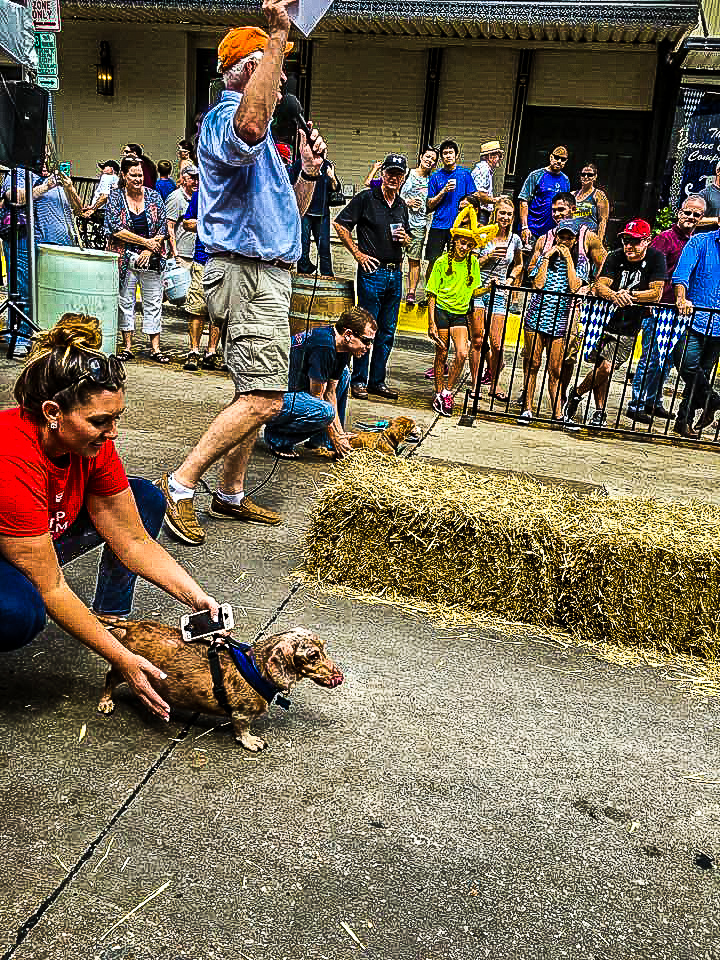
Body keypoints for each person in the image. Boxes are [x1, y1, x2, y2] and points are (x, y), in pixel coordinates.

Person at [157, 6, 327, 545]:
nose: (280, 85)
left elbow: (291, 216)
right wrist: (278, 35)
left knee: (255, 388)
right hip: (247, 273)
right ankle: (181, 485)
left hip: (269, 269)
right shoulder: (224, 119)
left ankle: (229, 491)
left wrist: (307, 172)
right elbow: (251, 121)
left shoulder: (264, 144)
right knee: (265, 398)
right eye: (273, 72)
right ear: (247, 68)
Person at [0, 314, 220, 720]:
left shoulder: (92, 446)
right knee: (21, 611)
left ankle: (111, 621)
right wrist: (124, 661)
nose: (113, 432)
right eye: (100, 421)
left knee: (145, 497)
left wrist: (196, 597)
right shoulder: (11, 455)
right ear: (53, 412)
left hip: (37, 533)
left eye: (116, 418)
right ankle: (113, 644)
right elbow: (52, 587)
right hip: (11, 550)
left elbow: (133, 540)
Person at [563, 219, 665, 429]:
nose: (629, 246)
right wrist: (614, 295)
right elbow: (601, 284)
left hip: (629, 325)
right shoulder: (615, 256)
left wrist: (630, 296)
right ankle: (600, 411)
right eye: (626, 240)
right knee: (602, 367)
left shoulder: (656, 258)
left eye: (635, 242)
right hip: (604, 319)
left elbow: (656, 292)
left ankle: (577, 392)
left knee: (607, 368)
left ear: (647, 241)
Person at [334, 154, 412, 402]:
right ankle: (359, 380)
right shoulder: (367, 198)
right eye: (389, 172)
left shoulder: (401, 206)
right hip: (372, 272)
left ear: (403, 178)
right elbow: (340, 224)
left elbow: (409, 238)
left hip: (395, 272)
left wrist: (406, 239)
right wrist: (357, 253)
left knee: (388, 331)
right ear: (382, 174)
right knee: (366, 330)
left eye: (398, 174)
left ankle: (377, 381)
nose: (393, 177)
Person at [628, 195, 706, 424]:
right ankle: (637, 403)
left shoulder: (695, 242)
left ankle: (653, 401)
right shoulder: (665, 239)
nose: (690, 217)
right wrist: (649, 303)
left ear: (701, 218)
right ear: (679, 213)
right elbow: (648, 270)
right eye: (687, 212)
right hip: (659, 308)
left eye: (696, 214)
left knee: (668, 359)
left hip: (678, 311)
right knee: (651, 357)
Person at [264, 307, 377, 457]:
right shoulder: (324, 346)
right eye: (366, 341)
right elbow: (318, 397)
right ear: (348, 334)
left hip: (294, 394)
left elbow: (330, 392)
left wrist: (340, 435)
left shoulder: (342, 346)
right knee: (324, 411)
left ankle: (323, 441)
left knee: (343, 375)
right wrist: (335, 436)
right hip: (272, 399)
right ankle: (277, 438)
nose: (369, 347)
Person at [104, 156, 171, 363]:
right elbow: (115, 229)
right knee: (126, 301)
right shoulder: (115, 197)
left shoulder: (153, 196)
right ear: (124, 176)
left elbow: (162, 226)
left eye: (140, 175)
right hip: (125, 258)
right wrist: (146, 242)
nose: (137, 179)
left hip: (151, 258)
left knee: (153, 302)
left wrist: (150, 249)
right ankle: (128, 346)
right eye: (133, 175)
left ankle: (155, 348)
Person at [519, 220, 585, 423]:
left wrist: (567, 260)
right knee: (533, 363)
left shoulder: (580, 262)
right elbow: (538, 284)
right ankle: (527, 408)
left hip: (560, 320)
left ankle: (557, 412)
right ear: (555, 236)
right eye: (561, 236)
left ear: (575, 240)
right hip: (536, 315)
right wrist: (547, 257)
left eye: (569, 237)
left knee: (555, 368)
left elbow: (574, 287)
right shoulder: (544, 257)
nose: (564, 241)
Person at [426, 207, 484, 417]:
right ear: (455, 241)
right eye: (462, 242)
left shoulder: (473, 263)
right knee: (441, 352)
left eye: (469, 244)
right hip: (441, 310)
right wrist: (431, 322)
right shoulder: (442, 262)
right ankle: (438, 392)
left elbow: (475, 290)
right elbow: (432, 293)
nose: (465, 247)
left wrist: (491, 286)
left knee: (461, 352)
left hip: (459, 313)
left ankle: (447, 392)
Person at [471, 195, 523, 400]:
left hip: (499, 292)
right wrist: (488, 257)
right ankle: (475, 385)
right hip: (479, 289)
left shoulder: (515, 239)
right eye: (502, 213)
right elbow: (471, 262)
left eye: (509, 214)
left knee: (497, 343)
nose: (505, 217)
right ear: (495, 213)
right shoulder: (484, 235)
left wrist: (510, 279)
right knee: (477, 339)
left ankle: (494, 384)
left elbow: (519, 264)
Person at [671, 221, 720, 438]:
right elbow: (681, 274)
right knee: (686, 363)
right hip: (694, 319)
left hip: (719, 326)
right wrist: (681, 298)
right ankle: (713, 400)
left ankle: (683, 421)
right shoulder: (701, 241)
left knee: (700, 376)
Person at [180, 184, 223, 372]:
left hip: (225, 261)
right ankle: (194, 351)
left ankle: (212, 352)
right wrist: (208, 223)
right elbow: (186, 223)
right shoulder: (200, 194)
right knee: (197, 308)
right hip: (202, 260)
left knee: (218, 312)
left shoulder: (234, 193)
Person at [424, 140, 478, 285]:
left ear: (456, 155)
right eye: (445, 153)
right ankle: (429, 293)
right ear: (441, 157)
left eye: (450, 153)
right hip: (438, 225)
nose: (448, 156)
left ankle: (450, 293)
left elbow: (474, 197)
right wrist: (443, 191)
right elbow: (429, 205)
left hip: (459, 227)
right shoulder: (435, 177)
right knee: (433, 262)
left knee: (457, 261)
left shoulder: (465, 174)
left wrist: (467, 200)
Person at [400, 145, 438, 306]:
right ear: (421, 156)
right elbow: (393, 193)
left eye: (433, 160)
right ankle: (393, 288)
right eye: (428, 157)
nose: (429, 160)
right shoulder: (407, 173)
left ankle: (411, 293)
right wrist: (406, 202)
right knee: (395, 257)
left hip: (419, 224)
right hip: (400, 222)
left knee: (414, 260)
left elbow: (430, 204)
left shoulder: (432, 180)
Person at [295, 156, 339, 277]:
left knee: (324, 247)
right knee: (303, 246)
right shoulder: (300, 163)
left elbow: (336, 188)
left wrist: (332, 177)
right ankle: (303, 274)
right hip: (304, 212)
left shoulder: (327, 165)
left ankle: (327, 275)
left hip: (322, 213)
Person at [518, 146, 571, 247]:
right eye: (556, 157)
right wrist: (525, 227)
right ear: (551, 157)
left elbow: (566, 206)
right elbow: (524, 201)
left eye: (563, 159)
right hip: (532, 229)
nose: (559, 161)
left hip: (553, 232)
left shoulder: (566, 180)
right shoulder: (536, 175)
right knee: (527, 260)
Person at [165, 164, 200, 270]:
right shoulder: (176, 197)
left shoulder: (198, 196)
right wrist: (175, 254)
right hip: (182, 255)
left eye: (198, 178)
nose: (196, 182)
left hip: (195, 254)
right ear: (184, 179)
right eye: (192, 178)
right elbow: (169, 227)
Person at [572, 163, 610, 244]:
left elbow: (603, 220)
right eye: (583, 174)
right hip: (572, 237)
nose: (586, 177)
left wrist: (599, 242)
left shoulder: (599, 195)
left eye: (589, 175)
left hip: (589, 238)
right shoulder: (572, 195)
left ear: (595, 177)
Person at [470, 140, 504, 225]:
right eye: (498, 156)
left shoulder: (485, 170)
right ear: (490, 157)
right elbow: (479, 194)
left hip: (481, 212)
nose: (499, 159)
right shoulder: (483, 170)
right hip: (480, 213)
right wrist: (496, 200)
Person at [698, 161, 720, 231]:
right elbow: (695, 219)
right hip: (710, 239)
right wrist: (717, 220)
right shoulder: (705, 194)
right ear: (718, 171)